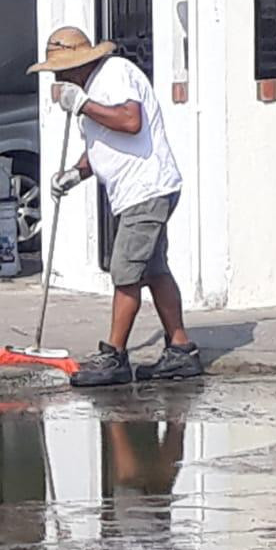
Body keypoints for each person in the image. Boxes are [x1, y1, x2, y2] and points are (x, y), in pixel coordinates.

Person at [29, 27, 203, 387]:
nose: (57, 79)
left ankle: (114, 357)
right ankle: (181, 351)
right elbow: (102, 145)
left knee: (125, 272)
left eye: (61, 71)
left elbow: (130, 121)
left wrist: (83, 104)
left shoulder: (114, 73)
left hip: (146, 190)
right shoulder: (91, 89)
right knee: (154, 270)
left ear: (79, 64)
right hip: (141, 191)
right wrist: (74, 174)